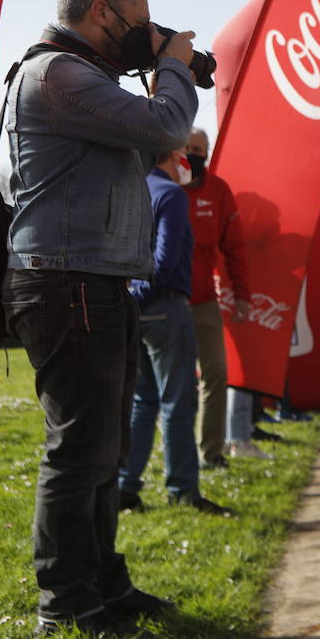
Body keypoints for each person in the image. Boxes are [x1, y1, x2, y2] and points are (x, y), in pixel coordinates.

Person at [1, 0, 197, 636]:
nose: (147, 32)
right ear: (103, 13)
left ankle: (103, 584)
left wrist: (160, 63)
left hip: (95, 278)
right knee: (80, 447)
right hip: (63, 280)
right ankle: (64, 602)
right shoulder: (58, 76)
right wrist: (170, 65)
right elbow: (168, 128)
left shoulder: (84, 79)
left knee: (105, 445)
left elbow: (144, 138)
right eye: (138, 21)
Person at [116, 149, 230, 517]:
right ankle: (182, 489)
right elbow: (164, 261)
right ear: (174, 156)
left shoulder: (130, 190)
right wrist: (145, 293)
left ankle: (125, 487)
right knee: (178, 403)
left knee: (142, 401)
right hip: (165, 306)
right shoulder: (172, 195)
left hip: (135, 311)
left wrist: (130, 297)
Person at [183, 127, 250, 465]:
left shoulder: (219, 190)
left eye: (201, 150)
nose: (195, 154)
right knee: (174, 383)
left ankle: (211, 452)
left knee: (216, 374)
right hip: (161, 298)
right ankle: (175, 457)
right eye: (190, 148)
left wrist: (242, 295)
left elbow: (235, 248)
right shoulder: (159, 182)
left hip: (204, 299)